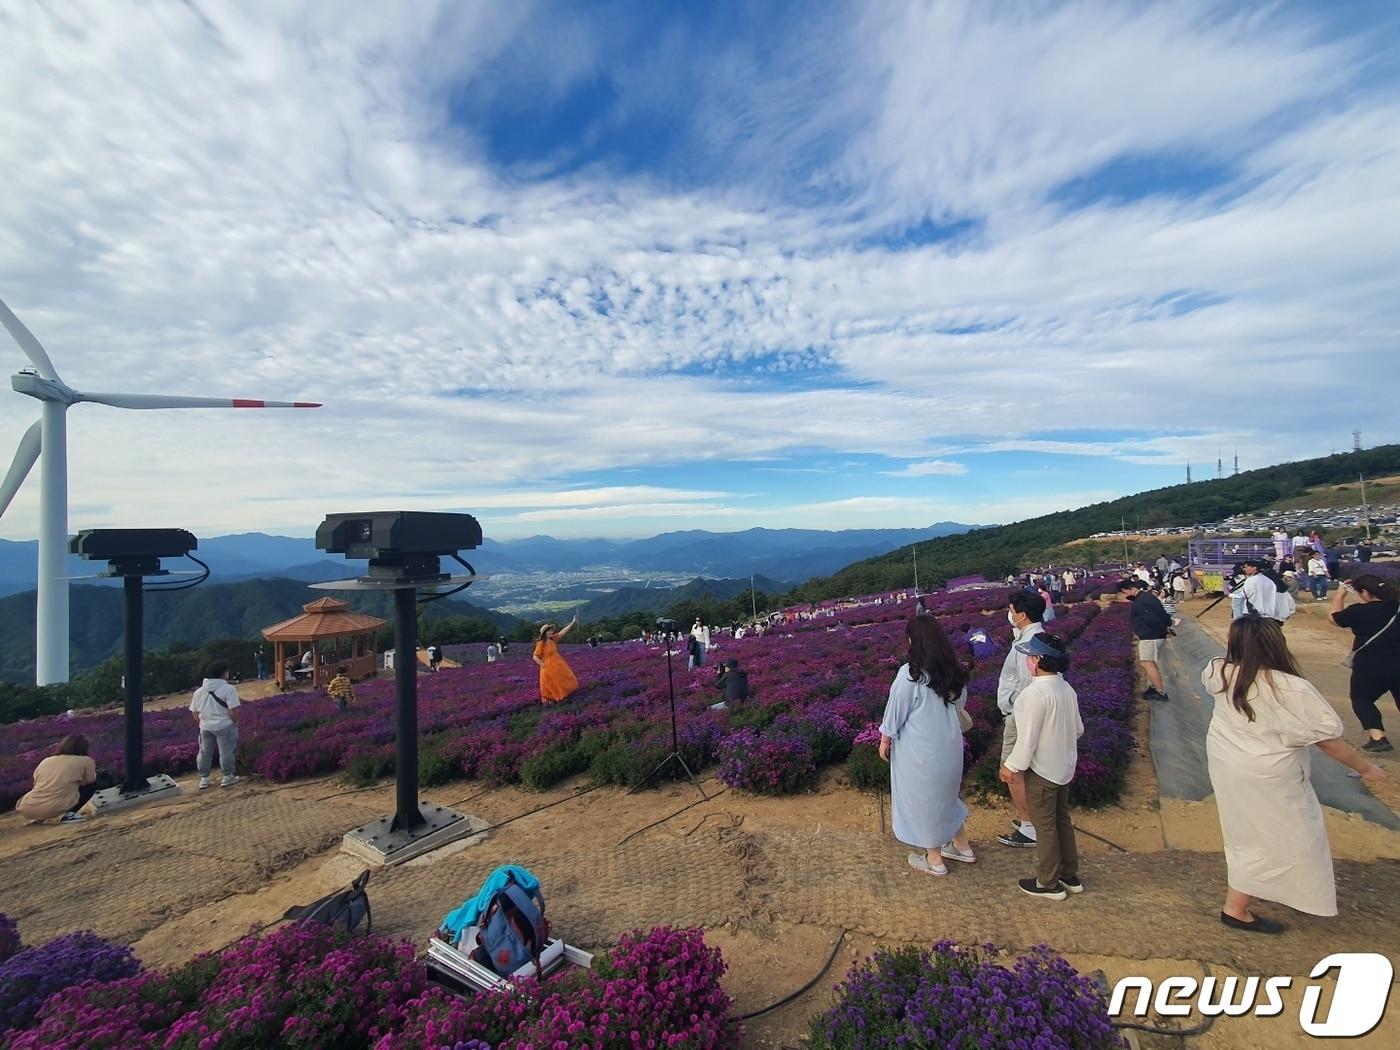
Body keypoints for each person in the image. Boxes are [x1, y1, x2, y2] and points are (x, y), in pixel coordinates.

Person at [1200, 616, 1385, 933]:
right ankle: (1237, 907)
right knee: (1290, 836)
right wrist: (1366, 768)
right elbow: (1327, 741)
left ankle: (1251, 898)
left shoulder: (1218, 670)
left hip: (1228, 766)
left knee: (1246, 833)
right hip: (1270, 775)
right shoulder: (1290, 687)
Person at [879, 616, 975, 876]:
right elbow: (960, 704)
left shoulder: (911, 674)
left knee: (924, 800)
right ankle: (962, 847)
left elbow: (895, 711)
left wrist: (886, 737)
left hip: (920, 751)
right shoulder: (953, 671)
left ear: (914, 641)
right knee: (947, 796)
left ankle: (934, 858)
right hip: (950, 747)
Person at [999, 633, 1083, 900]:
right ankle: (1069, 875)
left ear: (1037, 661)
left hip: (1043, 771)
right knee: (1062, 820)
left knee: (1044, 825)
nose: (1027, 660)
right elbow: (1078, 729)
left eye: (1030, 656)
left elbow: (1027, 740)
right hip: (1064, 768)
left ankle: (1048, 882)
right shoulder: (1066, 689)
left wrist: (1011, 767)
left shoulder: (1033, 694)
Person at [996, 591, 1046, 849]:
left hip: (1019, 715)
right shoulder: (1032, 637)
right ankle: (1032, 821)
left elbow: (1028, 685)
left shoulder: (1029, 644)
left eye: (1012, 610)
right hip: (1019, 712)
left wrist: (1011, 705)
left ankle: (1029, 826)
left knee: (1011, 770)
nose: (1010, 614)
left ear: (1022, 615)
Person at [1331, 574, 1400, 752]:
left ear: (1365, 592)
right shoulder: (1397, 607)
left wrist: (1340, 594)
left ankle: (1378, 738)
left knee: (1362, 699)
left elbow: (1335, 618)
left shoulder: (1359, 611)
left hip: (1370, 665)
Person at [15, 735, 98, 824]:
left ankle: (40, 817)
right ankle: (70, 814)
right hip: (54, 808)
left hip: (28, 809)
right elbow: (90, 780)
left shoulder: (46, 761)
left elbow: (36, 782)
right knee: (92, 785)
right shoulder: (85, 760)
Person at [190, 660, 241, 789]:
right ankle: (227, 776)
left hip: (205, 727)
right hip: (224, 725)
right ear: (224, 673)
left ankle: (204, 779)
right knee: (226, 752)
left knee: (204, 752)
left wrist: (204, 722)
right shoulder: (228, 689)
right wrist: (234, 722)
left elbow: (195, 713)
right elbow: (233, 710)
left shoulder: (198, 692)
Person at [1118, 579, 1171, 701]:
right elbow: (1162, 614)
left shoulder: (1141, 602)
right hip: (1154, 636)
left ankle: (1160, 692)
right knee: (1150, 662)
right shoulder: (1147, 597)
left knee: (1147, 663)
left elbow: (1152, 619)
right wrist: (1166, 628)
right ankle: (1152, 686)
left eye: (1124, 592)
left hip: (1150, 637)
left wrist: (1161, 630)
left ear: (1129, 589)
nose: (1125, 595)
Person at [534, 616, 579, 704]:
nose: (551, 631)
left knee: (565, 678)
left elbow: (562, 632)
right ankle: (557, 699)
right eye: (549, 630)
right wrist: (544, 665)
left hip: (558, 663)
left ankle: (566, 696)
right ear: (545, 633)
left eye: (551, 630)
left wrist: (572, 623)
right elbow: (535, 656)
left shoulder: (553, 639)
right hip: (549, 665)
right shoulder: (541, 644)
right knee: (554, 682)